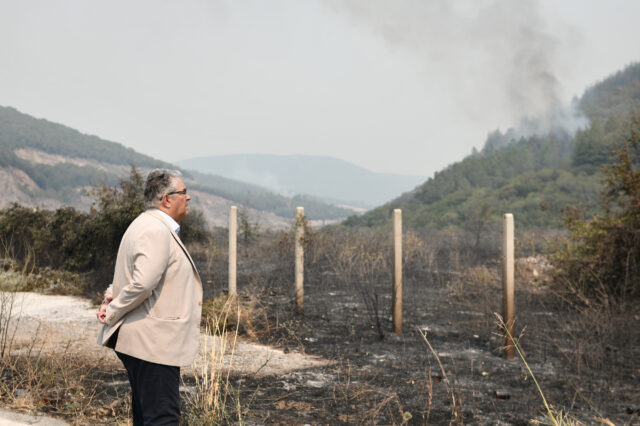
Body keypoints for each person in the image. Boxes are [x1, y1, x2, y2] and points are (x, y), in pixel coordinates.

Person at [96, 168, 203, 425]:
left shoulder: (145, 224)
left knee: (147, 417)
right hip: (154, 343)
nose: (188, 198)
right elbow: (143, 282)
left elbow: (131, 274)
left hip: (148, 341)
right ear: (166, 199)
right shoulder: (155, 230)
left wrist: (110, 298)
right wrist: (113, 310)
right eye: (183, 193)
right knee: (162, 418)